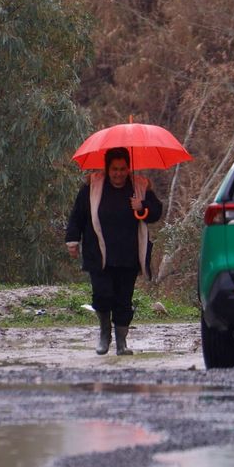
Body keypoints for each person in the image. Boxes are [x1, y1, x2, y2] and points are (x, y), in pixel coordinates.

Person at [64, 147, 163, 356]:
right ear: (107, 169)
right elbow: (77, 216)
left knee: (123, 300)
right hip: (99, 254)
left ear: (128, 168)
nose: (119, 173)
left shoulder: (140, 187)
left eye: (123, 169)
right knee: (102, 294)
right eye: (114, 169)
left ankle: (121, 343)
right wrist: (72, 240)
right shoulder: (92, 188)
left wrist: (142, 206)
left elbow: (156, 213)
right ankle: (104, 333)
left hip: (128, 255)